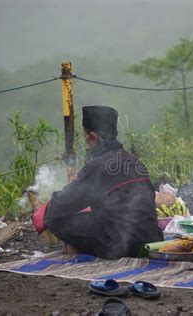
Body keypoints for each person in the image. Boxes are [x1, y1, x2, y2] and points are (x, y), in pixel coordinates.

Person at [32, 105, 163, 259]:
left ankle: (83, 248)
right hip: (152, 238)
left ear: (93, 136)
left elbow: (69, 201)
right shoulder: (134, 160)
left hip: (124, 244)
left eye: (85, 136)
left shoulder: (98, 165)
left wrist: (43, 214)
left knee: (57, 219)